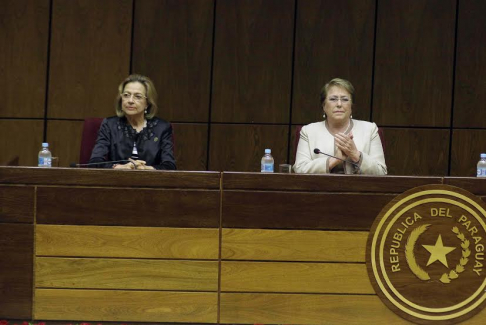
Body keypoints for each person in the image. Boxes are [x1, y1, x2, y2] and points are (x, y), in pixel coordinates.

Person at [293, 78, 386, 175]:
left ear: (351, 106)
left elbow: (381, 171)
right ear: (324, 105)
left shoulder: (370, 129)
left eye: (345, 99)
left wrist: (356, 155)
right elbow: (299, 169)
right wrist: (334, 160)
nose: (339, 104)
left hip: (359, 189)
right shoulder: (308, 131)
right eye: (333, 99)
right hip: (319, 188)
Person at [88, 74, 176, 170]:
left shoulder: (162, 127)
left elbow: (169, 166)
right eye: (126, 95)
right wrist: (118, 167)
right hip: (116, 181)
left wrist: (148, 169)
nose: (130, 100)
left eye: (137, 96)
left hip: (150, 182)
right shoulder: (109, 125)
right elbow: (95, 162)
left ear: (147, 103)